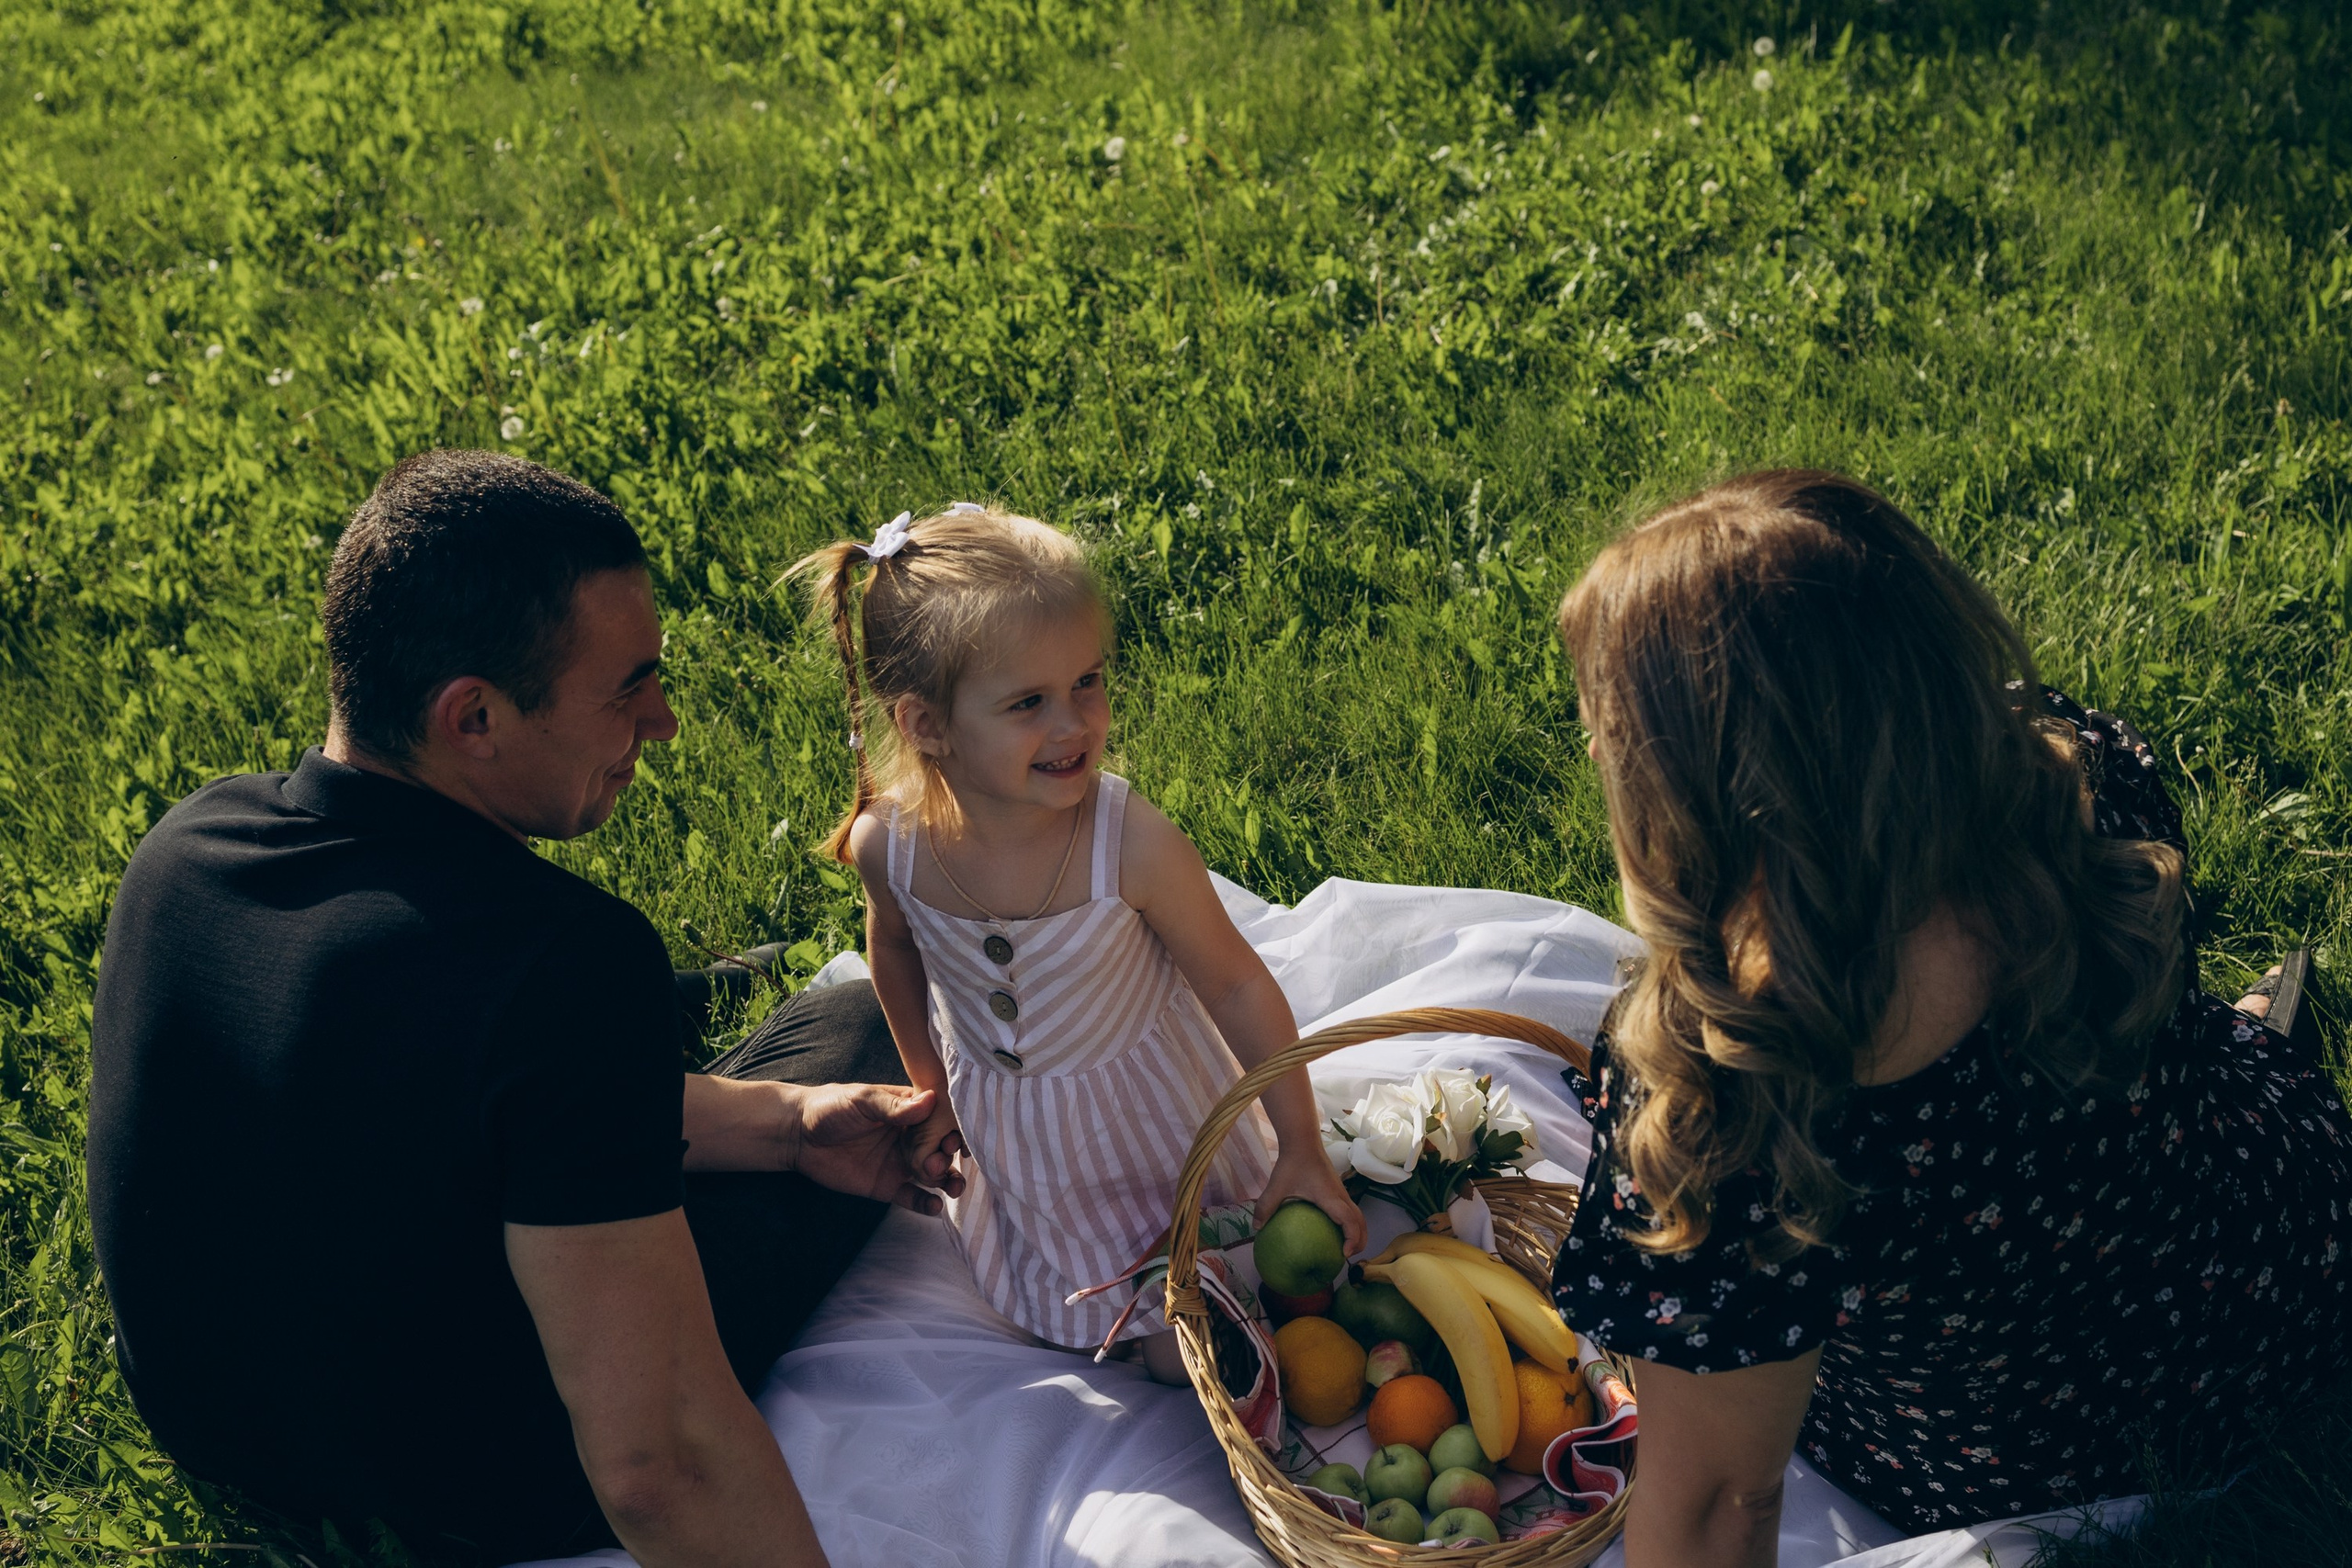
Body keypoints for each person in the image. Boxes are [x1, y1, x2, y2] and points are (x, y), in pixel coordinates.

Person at [86, 450, 962, 1566]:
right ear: (476, 718)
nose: (665, 723)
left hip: (219, 1431)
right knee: (849, 1026)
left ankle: (731, 1054)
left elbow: (414, 1105)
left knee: (742, 1084)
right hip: (482, 1482)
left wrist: (786, 1129)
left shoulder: (185, 849)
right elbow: (658, 1467)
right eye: (628, 686)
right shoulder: (555, 962)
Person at [1547, 470, 2350, 1565]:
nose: (1596, 752)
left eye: (1611, 724)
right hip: (2274, 1252)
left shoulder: (1737, 1086)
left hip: (2029, 1452)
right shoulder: (2073, 776)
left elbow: (1718, 1505)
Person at [791, 504, 1363, 1371]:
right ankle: (1103, 1299)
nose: (1075, 724)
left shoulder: (1125, 841)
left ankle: (1194, 1290)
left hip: (1151, 1118)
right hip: (1021, 1138)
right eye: (1029, 703)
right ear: (925, 725)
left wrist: (1302, 1143)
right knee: (1084, 1314)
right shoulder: (893, 847)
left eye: (1087, 682)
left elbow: (1238, 984)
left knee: (1219, 1322)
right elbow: (896, 947)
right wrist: (932, 1082)